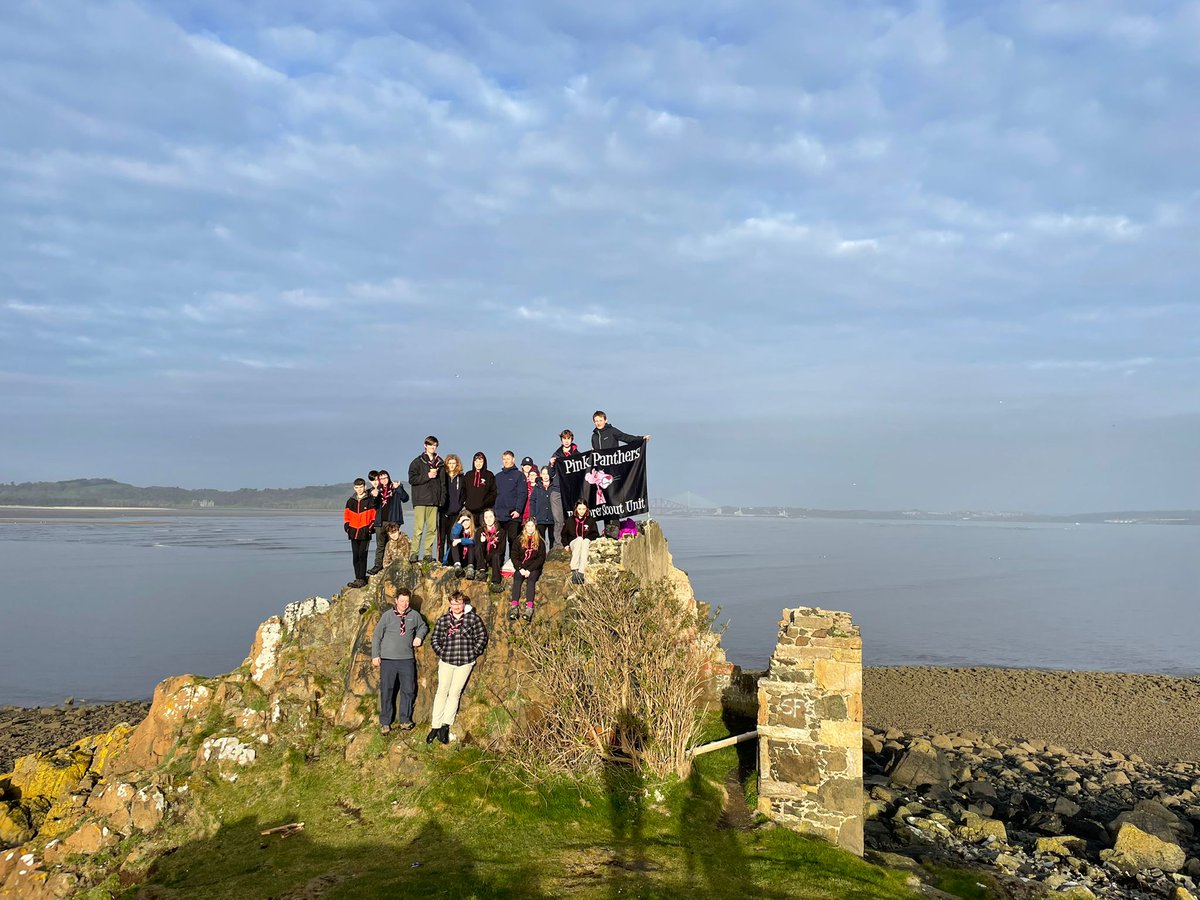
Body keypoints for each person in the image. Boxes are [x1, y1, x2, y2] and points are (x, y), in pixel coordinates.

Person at [427, 590, 488, 745]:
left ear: (463, 603)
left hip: (465, 662)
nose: (456, 606)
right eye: (454, 603)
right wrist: (442, 653)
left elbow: (482, 637)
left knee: (455, 693)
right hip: (447, 661)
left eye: (459, 603)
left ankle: (445, 725)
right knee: (442, 691)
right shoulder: (444, 620)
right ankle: (435, 726)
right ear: (450, 604)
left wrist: (473, 653)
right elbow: (435, 639)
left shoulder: (473, 619)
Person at [371, 588, 428, 733]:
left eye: (407, 601)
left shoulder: (414, 615)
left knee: (408, 690)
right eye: (402, 601)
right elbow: (377, 636)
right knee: (387, 690)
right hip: (388, 660)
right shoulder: (387, 616)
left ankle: (405, 720)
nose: (404, 604)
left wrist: (419, 637)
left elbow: (423, 626)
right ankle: (385, 722)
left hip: (406, 660)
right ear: (396, 600)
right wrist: (375, 655)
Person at [590, 411, 650, 537]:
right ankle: (607, 530)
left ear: (605, 420)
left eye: (600, 420)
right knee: (604, 502)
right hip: (601, 475)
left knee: (614, 499)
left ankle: (615, 531)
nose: (598, 422)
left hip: (614, 471)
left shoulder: (612, 431)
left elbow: (625, 437)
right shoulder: (594, 436)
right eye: (596, 420)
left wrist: (640, 439)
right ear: (593, 422)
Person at [408, 436, 446, 563]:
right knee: (418, 529)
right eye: (430, 445)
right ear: (425, 445)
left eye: (435, 445)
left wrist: (441, 499)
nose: (432, 447)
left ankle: (428, 554)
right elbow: (412, 480)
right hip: (420, 500)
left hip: (434, 501)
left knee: (432, 529)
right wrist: (427, 476)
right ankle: (414, 553)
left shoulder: (440, 462)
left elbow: (442, 483)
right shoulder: (417, 462)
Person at [369, 470, 409, 576]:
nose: (384, 480)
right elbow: (373, 505)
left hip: (393, 520)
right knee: (380, 545)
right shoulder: (377, 490)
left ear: (389, 477)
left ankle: (393, 564)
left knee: (392, 543)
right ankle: (378, 566)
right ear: (379, 480)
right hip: (380, 521)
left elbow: (405, 498)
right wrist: (374, 496)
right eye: (381, 478)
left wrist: (399, 488)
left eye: (385, 477)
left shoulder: (395, 487)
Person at [546, 429, 580, 551]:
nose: (566, 441)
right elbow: (550, 474)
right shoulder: (556, 455)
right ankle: (559, 545)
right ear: (561, 440)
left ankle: (572, 543)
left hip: (572, 491)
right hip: (557, 491)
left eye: (568, 438)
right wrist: (551, 464)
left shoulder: (577, 454)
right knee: (559, 519)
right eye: (564, 438)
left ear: (572, 439)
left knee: (571, 519)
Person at [509, 519, 546, 623]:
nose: (530, 528)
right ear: (525, 527)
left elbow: (541, 558)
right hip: (521, 567)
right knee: (517, 579)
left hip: (534, 568)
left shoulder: (540, 541)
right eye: (528, 526)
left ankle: (529, 608)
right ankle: (514, 607)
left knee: (531, 581)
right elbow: (514, 555)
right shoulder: (519, 539)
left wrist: (529, 570)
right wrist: (520, 568)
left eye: (532, 526)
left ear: (535, 527)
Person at [343, 478, 377, 588]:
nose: (359, 489)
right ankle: (357, 577)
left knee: (363, 555)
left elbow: (373, 515)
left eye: (361, 487)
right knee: (355, 556)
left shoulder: (369, 500)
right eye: (357, 487)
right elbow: (346, 515)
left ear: (365, 487)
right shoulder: (350, 501)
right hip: (353, 531)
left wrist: (370, 528)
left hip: (365, 531)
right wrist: (347, 526)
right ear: (354, 488)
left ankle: (362, 578)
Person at [493, 450, 525, 560]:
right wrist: (493, 512)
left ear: (513, 459)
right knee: (499, 542)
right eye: (504, 459)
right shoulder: (497, 476)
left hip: (513, 515)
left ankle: (513, 563)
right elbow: (494, 495)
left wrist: (518, 510)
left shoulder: (519, 475)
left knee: (513, 540)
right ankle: (499, 565)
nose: (506, 461)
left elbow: (522, 494)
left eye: (508, 458)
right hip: (499, 515)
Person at [562, 498, 599, 585]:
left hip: (585, 542)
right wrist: (566, 544)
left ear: (586, 509)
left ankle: (581, 571)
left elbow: (595, 534)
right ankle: (574, 568)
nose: (581, 511)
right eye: (579, 509)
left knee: (585, 541)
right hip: (574, 542)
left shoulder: (590, 520)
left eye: (583, 509)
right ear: (576, 509)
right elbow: (564, 534)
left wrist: (587, 538)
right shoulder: (570, 520)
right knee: (579, 539)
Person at [438, 454, 466, 566]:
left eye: (454, 463)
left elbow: (464, 494)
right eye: (449, 463)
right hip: (443, 511)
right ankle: (440, 560)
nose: (451, 465)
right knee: (442, 538)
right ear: (446, 464)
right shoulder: (443, 476)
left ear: (457, 464)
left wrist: (460, 506)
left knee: (452, 538)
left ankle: (449, 560)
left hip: (455, 512)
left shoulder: (461, 478)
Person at [462, 451, 496, 530]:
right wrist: (465, 502)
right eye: (476, 461)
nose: (478, 463)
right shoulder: (468, 475)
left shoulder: (489, 475)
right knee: (470, 534)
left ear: (484, 462)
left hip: (483, 511)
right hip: (470, 511)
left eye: (481, 461)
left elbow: (493, 492)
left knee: (483, 534)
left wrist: (485, 503)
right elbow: (463, 490)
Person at [478, 508, 505, 590]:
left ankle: (495, 582)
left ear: (495, 517)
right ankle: (482, 570)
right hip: (484, 557)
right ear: (483, 519)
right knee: (478, 545)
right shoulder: (480, 531)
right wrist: (483, 542)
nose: (489, 519)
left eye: (491, 516)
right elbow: (478, 550)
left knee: (496, 555)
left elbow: (501, 549)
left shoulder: (501, 531)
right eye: (486, 517)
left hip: (496, 557)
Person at [443, 511, 477, 576]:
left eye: (467, 520)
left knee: (470, 544)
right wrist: (459, 523)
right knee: (454, 543)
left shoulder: (475, 531)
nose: (465, 523)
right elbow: (453, 537)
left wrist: (460, 540)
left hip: (468, 558)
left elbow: (474, 541)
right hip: (456, 558)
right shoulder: (458, 530)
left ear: (471, 521)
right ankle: (457, 566)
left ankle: (470, 568)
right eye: (463, 521)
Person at [530, 467, 556, 550]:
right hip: (540, 518)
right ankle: (542, 556)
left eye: (547, 473)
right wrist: (533, 515)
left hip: (552, 517)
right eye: (544, 473)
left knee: (553, 538)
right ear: (541, 475)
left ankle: (552, 557)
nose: (546, 476)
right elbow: (532, 501)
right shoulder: (537, 487)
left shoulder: (554, 486)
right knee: (541, 539)